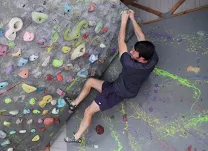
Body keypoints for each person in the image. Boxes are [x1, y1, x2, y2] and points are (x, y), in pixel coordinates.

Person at [64, 10, 159, 143]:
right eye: (133, 49)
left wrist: (124, 20)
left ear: (141, 58)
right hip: (117, 85)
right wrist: (132, 16)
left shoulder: (130, 65)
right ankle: (74, 104)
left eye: (134, 52)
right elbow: (141, 36)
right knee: (90, 81)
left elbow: (121, 41)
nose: (131, 51)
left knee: (88, 111)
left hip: (118, 92)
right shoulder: (152, 58)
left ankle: (76, 137)